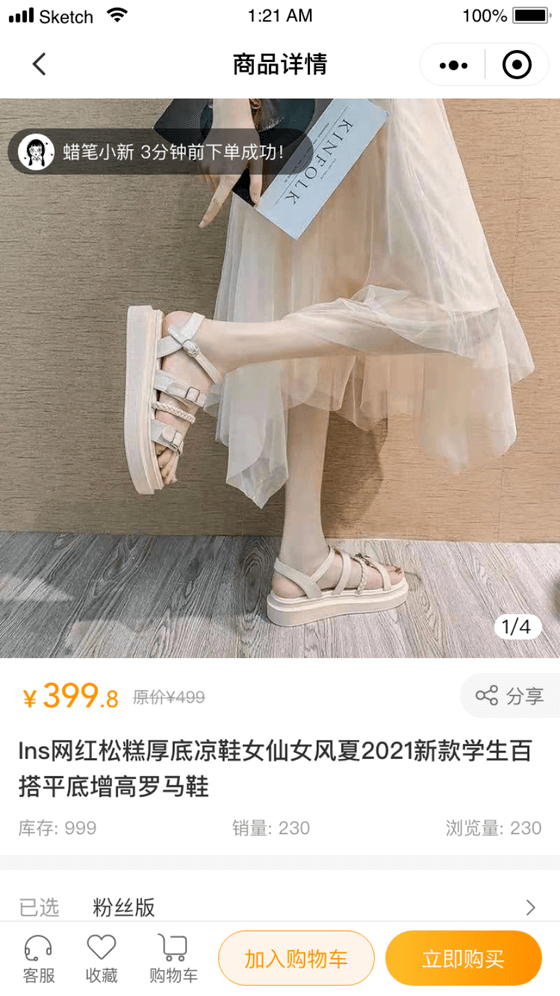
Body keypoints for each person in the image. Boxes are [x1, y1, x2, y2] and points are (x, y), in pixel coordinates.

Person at [124, 98, 534, 626]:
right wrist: (231, 99)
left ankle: (303, 554)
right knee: (466, 313)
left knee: (315, 293)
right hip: (349, 84)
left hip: (337, 89)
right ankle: (210, 347)